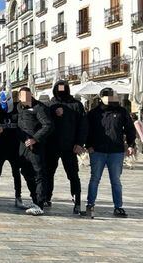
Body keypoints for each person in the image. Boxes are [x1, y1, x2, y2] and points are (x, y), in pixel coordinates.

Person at [84, 88, 136, 218]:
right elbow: (86, 130)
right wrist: (88, 145)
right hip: (97, 151)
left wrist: (131, 144)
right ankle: (90, 205)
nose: (109, 98)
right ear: (101, 98)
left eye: (111, 96)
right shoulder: (93, 113)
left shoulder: (121, 112)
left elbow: (130, 129)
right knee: (95, 179)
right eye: (106, 96)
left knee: (116, 180)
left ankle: (118, 207)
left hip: (116, 151)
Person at [45, 80, 87, 214]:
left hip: (70, 146)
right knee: (48, 173)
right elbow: (43, 120)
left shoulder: (77, 105)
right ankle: (46, 197)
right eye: (58, 88)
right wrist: (53, 112)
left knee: (73, 174)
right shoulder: (50, 104)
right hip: (52, 146)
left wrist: (80, 143)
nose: (61, 91)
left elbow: (83, 126)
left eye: (63, 88)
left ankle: (77, 200)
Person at [0, 90, 28, 209]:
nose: (5, 103)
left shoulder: (18, 110)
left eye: (8, 100)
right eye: (3, 101)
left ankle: (18, 197)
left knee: (16, 172)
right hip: (1, 146)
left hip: (14, 147)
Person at [16, 87, 52, 216]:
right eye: (22, 96)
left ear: (31, 95)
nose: (25, 98)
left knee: (39, 173)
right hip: (23, 146)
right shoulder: (19, 108)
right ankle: (35, 199)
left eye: (28, 95)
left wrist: (35, 139)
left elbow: (48, 125)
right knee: (25, 171)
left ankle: (40, 204)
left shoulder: (39, 108)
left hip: (36, 147)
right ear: (19, 97)